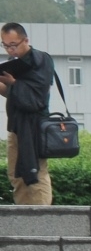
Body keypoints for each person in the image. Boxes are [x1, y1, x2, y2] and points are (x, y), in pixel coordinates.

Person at [0, 23, 56, 204]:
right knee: (16, 175)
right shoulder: (12, 64)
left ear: (26, 40)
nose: (10, 49)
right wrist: (7, 84)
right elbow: (11, 93)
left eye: (13, 45)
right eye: (5, 45)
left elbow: (36, 98)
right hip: (17, 126)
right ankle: (23, 216)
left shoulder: (40, 60)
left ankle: (42, 218)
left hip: (34, 126)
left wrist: (14, 83)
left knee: (36, 172)